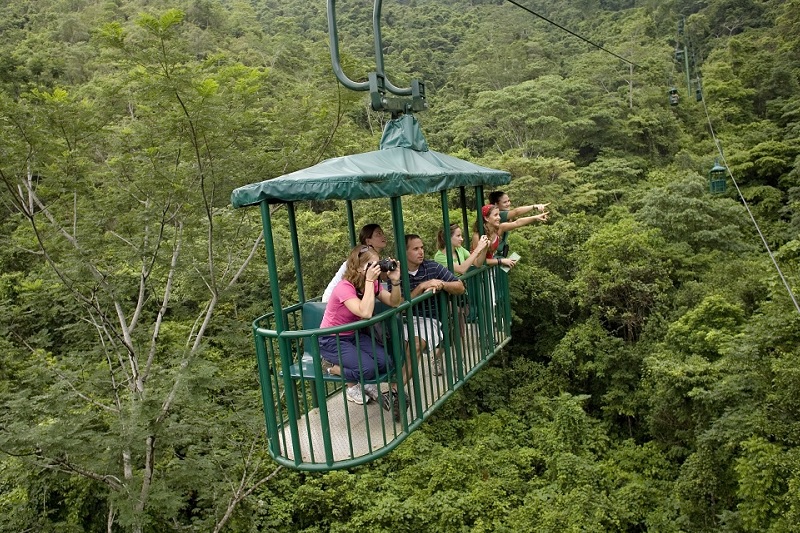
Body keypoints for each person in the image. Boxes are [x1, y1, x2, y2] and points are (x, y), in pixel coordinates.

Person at [319, 244, 405, 417]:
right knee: (368, 369)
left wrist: (395, 281)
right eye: (371, 265)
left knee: (385, 362)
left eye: (377, 264)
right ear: (358, 268)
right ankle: (331, 367)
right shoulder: (344, 287)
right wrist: (369, 281)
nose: (375, 269)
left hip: (352, 334)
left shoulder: (371, 284)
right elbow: (364, 312)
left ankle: (353, 371)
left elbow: (395, 302)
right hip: (331, 339)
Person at [404, 234, 466, 376]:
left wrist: (442, 284)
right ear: (404, 251)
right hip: (406, 320)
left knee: (455, 318)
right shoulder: (397, 273)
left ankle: (395, 390)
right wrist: (421, 287)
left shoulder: (432, 266)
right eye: (415, 249)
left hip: (431, 319)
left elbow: (460, 286)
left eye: (422, 248)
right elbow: (399, 303)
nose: (421, 252)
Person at [322, 224, 388, 302]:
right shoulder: (359, 260)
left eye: (382, 233)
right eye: (378, 234)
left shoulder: (374, 259)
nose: (383, 236)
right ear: (368, 241)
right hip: (334, 300)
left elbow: (384, 278)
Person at [471, 204, 548, 270]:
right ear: (486, 218)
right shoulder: (477, 236)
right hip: (477, 271)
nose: (499, 218)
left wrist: (535, 217)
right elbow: (478, 261)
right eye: (495, 215)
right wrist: (501, 261)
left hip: (489, 268)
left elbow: (517, 223)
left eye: (499, 215)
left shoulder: (499, 229)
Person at [488, 190, 549, 258]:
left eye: (508, 201)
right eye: (505, 202)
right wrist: (534, 206)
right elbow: (516, 214)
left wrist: (536, 217)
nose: (508, 204)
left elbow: (517, 222)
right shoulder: (499, 215)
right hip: (493, 258)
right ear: (496, 204)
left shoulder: (503, 216)